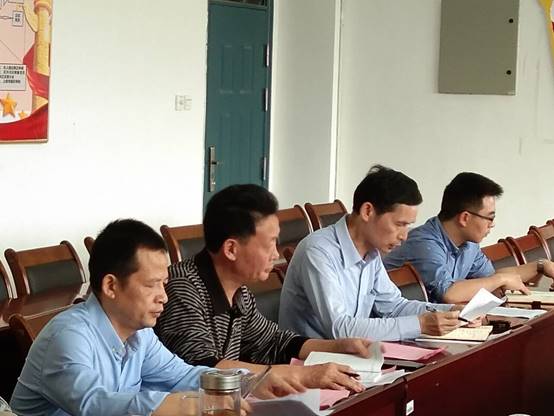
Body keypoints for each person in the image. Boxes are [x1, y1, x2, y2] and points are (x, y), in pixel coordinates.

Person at [10, 219, 296, 416]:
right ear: (111, 286)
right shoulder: (69, 336)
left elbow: (182, 375)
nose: (164, 297)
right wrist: (186, 406)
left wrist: (247, 382)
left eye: (164, 283)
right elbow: (93, 405)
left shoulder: (140, 334)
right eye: (151, 285)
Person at [155, 184, 373, 394]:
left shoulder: (240, 292)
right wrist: (304, 375)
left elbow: (273, 341)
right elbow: (202, 369)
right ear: (231, 249)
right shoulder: (183, 288)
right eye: (270, 243)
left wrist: (338, 347)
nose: (276, 254)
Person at [279, 165, 463, 342]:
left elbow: (394, 307)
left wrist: (452, 311)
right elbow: (340, 329)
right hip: (309, 359)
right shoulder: (318, 251)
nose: (404, 236)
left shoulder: (371, 252)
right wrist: (419, 325)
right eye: (399, 224)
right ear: (368, 211)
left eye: (408, 226)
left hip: (350, 355)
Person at [384, 172, 554, 303]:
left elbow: (490, 278)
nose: (492, 224)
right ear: (465, 218)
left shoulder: (468, 245)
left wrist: (541, 266)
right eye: (490, 218)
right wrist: (500, 279)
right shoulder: (425, 243)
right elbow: (449, 293)